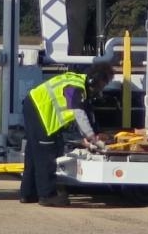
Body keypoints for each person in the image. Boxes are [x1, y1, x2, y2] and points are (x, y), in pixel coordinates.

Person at [20, 63, 114, 206]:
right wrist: (93, 138)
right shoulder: (76, 88)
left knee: (34, 154)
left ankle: (28, 194)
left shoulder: (77, 82)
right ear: (93, 80)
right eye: (102, 84)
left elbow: (85, 114)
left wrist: (87, 136)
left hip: (33, 105)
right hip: (40, 111)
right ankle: (47, 196)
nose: (101, 89)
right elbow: (79, 114)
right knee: (46, 154)